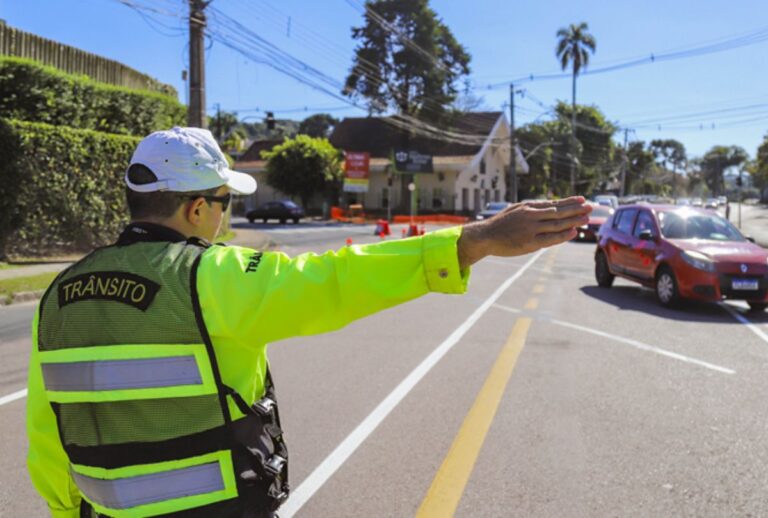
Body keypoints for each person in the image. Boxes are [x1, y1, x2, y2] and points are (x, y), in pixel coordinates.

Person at [27, 127, 591, 518]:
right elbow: (336, 279)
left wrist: (66, 511)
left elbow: (47, 435)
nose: (224, 216)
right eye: (224, 202)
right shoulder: (210, 275)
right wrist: (472, 242)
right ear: (197, 209)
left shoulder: (58, 294)